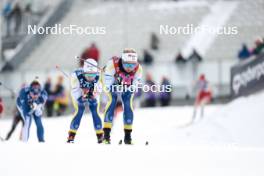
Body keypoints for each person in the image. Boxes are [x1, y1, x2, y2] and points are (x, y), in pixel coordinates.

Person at [102, 48, 143, 144]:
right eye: (127, 64)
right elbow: (107, 86)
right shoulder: (112, 65)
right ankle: (106, 136)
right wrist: (117, 85)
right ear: (122, 61)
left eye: (132, 64)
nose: (129, 67)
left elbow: (134, 87)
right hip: (111, 83)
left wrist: (126, 86)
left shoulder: (138, 69)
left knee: (128, 104)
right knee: (112, 101)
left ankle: (128, 137)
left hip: (126, 86)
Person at [67, 59, 103, 143]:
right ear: (83, 73)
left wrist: (93, 96)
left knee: (94, 108)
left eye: (92, 75)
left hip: (92, 90)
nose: (90, 78)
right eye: (88, 75)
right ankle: (71, 135)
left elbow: (99, 89)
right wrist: (80, 98)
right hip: (79, 90)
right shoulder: (76, 75)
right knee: (80, 109)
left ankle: (100, 135)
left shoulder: (99, 75)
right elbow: (74, 90)